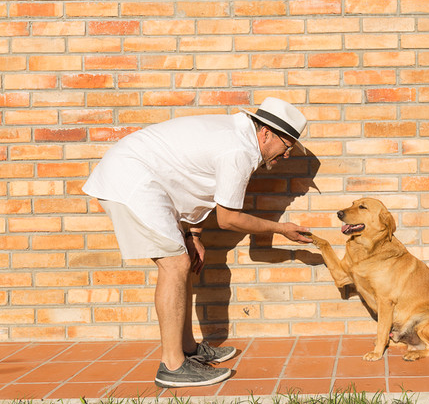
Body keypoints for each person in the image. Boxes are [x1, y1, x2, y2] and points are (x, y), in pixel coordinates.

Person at [83, 97, 313, 388]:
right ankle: (172, 366)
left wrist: (193, 236)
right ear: (266, 133)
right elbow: (228, 218)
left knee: (183, 260)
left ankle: (188, 350)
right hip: (131, 179)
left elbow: (193, 182)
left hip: (142, 177)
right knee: (174, 264)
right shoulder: (239, 149)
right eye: (287, 145)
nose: (287, 155)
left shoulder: (237, 136)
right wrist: (281, 229)